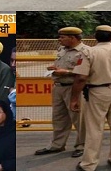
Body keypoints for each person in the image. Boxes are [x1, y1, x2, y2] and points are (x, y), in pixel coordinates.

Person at [70, 25, 111, 171]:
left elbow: (81, 78)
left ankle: (89, 164)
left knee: (95, 127)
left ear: (95, 37)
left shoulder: (88, 52)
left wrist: (74, 98)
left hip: (97, 91)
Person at [34, 27, 89, 158]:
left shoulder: (84, 52)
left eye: (62, 37)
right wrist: (55, 69)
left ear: (73, 38)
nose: (59, 39)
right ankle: (57, 145)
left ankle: (82, 145)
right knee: (59, 118)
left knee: (79, 118)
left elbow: (86, 73)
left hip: (74, 87)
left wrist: (67, 72)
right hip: (58, 86)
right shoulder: (62, 50)